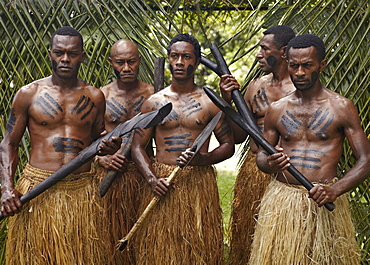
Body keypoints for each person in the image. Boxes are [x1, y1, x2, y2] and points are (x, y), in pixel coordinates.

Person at [0, 26, 122, 265]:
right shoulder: (29, 94)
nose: (65, 59)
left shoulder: (95, 96)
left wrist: (107, 146)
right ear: (50, 54)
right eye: (59, 52)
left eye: (72, 53)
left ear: (82, 56)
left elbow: (97, 139)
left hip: (80, 192)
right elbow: (8, 143)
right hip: (37, 190)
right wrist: (6, 189)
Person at [249, 34, 370, 265]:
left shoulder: (341, 107)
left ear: (322, 65)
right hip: (282, 202)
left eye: (307, 65)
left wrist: (335, 190)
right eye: (294, 66)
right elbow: (261, 156)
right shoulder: (276, 109)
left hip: (323, 202)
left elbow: (366, 159)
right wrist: (269, 163)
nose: (300, 73)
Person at [131, 33, 234, 265]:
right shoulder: (154, 103)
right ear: (168, 59)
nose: (179, 62)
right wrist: (151, 179)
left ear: (196, 61)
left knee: (197, 248)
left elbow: (228, 145)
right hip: (162, 181)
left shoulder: (209, 101)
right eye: (174, 56)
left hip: (198, 182)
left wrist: (203, 159)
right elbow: (137, 146)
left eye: (186, 57)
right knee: (161, 249)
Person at [219, 25, 296, 264]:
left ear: (283, 52)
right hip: (254, 171)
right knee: (249, 241)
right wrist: (227, 102)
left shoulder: (300, 90)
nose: (258, 54)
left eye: (264, 48)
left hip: (288, 175)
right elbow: (240, 135)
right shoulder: (256, 86)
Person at [94, 39, 154, 264]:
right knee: (109, 240)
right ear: (111, 62)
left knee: (144, 238)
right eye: (120, 62)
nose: (126, 68)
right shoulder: (101, 96)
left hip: (143, 176)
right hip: (110, 179)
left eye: (132, 61)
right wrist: (103, 160)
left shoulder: (153, 93)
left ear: (139, 61)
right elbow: (90, 140)